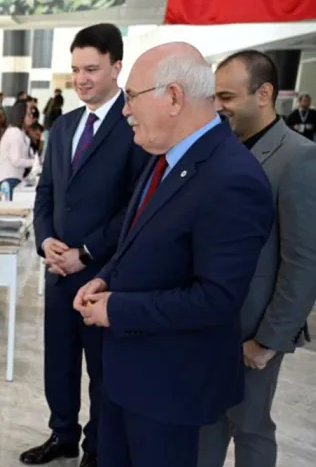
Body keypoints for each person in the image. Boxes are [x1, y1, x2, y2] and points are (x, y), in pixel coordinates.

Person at [74, 42, 275, 467]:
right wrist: (106, 277)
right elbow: (142, 238)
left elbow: (216, 299)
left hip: (170, 395)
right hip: (128, 381)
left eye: (131, 97)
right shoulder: (165, 155)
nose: (126, 111)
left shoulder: (232, 178)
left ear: (173, 97)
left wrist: (118, 309)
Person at [26, 23, 150, 467]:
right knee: (57, 364)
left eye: (92, 69)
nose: (81, 79)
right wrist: (46, 244)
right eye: (76, 69)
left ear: (117, 66)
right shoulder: (63, 126)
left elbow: (136, 207)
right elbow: (46, 193)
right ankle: (63, 435)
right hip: (58, 271)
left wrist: (86, 252)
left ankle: (97, 448)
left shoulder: (134, 124)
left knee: (102, 371)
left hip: (103, 275)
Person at [200, 51, 316, 467]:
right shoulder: (220, 149)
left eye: (227, 96)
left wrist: (269, 341)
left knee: (250, 427)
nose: (218, 106)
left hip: (255, 329)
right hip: (212, 322)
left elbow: (303, 262)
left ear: (264, 93)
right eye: (215, 96)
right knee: (207, 422)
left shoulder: (299, 158)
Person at [0, 100, 37, 199]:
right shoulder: (15, 133)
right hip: (9, 179)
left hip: (15, 177)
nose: (31, 116)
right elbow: (16, 160)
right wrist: (34, 162)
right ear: (20, 115)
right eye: (28, 113)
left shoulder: (20, 132)